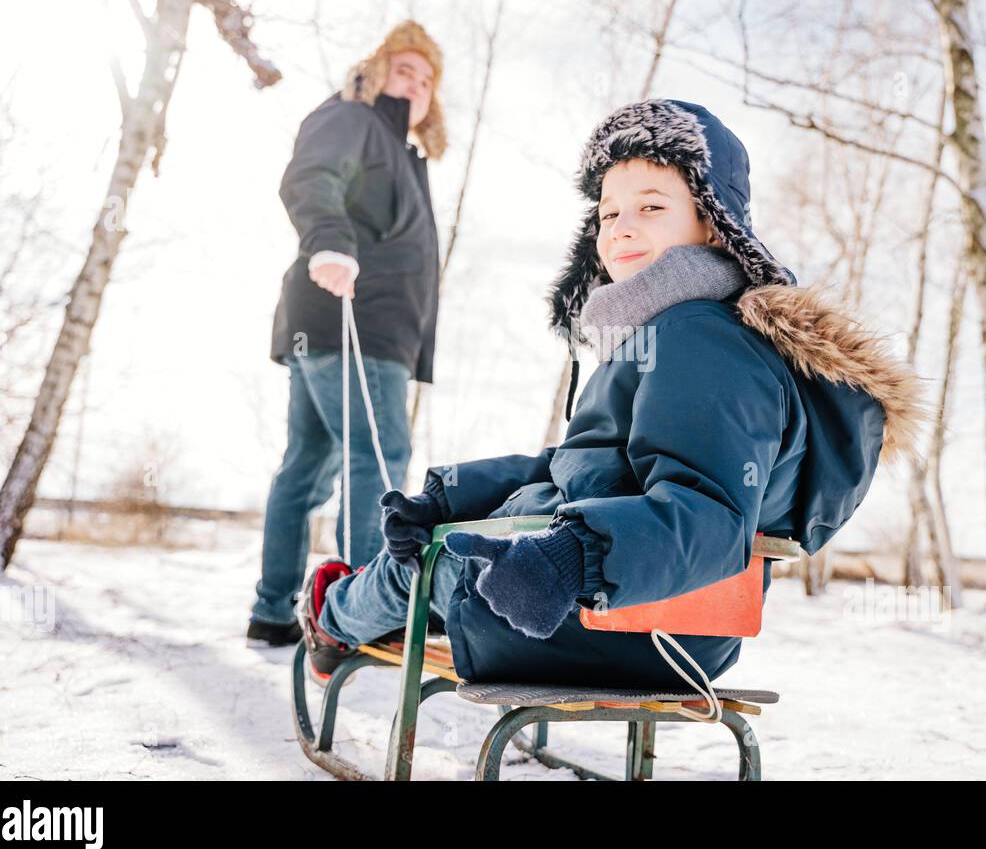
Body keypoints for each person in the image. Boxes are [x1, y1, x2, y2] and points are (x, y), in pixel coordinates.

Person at [296, 98, 929, 687]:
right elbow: (581, 469)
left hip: (622, 620)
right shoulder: (668, 334)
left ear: (715, 224)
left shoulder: (699, 337)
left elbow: (707, 512)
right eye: (608, 213)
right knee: (437, 551)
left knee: (415, 569)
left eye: (652, 206)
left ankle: (328, 616)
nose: (621, 228)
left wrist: (573, 561)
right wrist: (447, 499)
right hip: (645, 623)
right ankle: (365, 606)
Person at [246, 20, 448, 647]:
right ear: (375, 70)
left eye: (426, 77)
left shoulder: (402, 153)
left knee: (307, 465)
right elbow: (312, 176)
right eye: (403, 69)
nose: (413, 83)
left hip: (356, 324)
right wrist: (329, 243)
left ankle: (272, 613)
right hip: (350, 313)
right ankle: (368, 609)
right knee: (380, 454)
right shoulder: (353, 118)